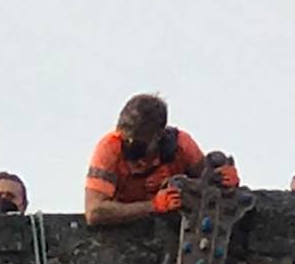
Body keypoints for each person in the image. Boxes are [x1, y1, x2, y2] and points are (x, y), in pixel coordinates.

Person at [84, 93, 238, 226]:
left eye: (136, 143)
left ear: (157, 136)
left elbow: (207, 183)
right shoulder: (110, 148)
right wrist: (153, 206)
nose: (129, 147)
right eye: (125, 140)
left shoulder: (181, 146)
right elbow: (94, 211)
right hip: (127, 230)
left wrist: (224, 180)